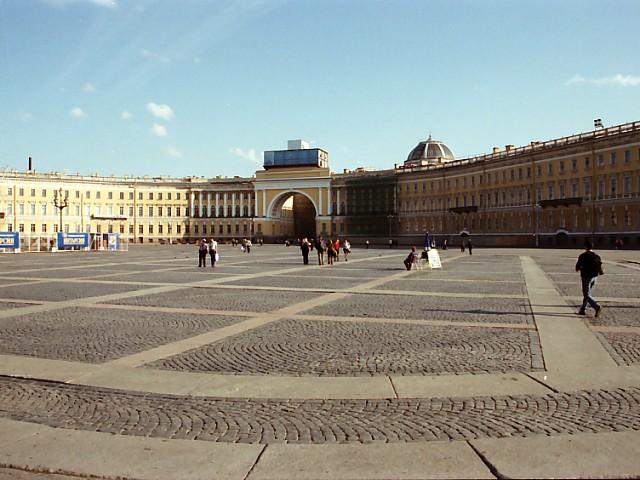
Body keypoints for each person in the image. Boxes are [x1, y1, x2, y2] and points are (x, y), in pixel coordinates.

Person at [576, 239, 603, 317]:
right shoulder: (596, 256)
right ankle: (583, 309)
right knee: (588, 293)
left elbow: (577, 267)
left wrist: (579, 268)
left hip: (586, 277)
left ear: (585, 247)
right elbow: (599, 266)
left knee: (586, 294)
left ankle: (596, 306)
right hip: (594, 277)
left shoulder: (583, 256)